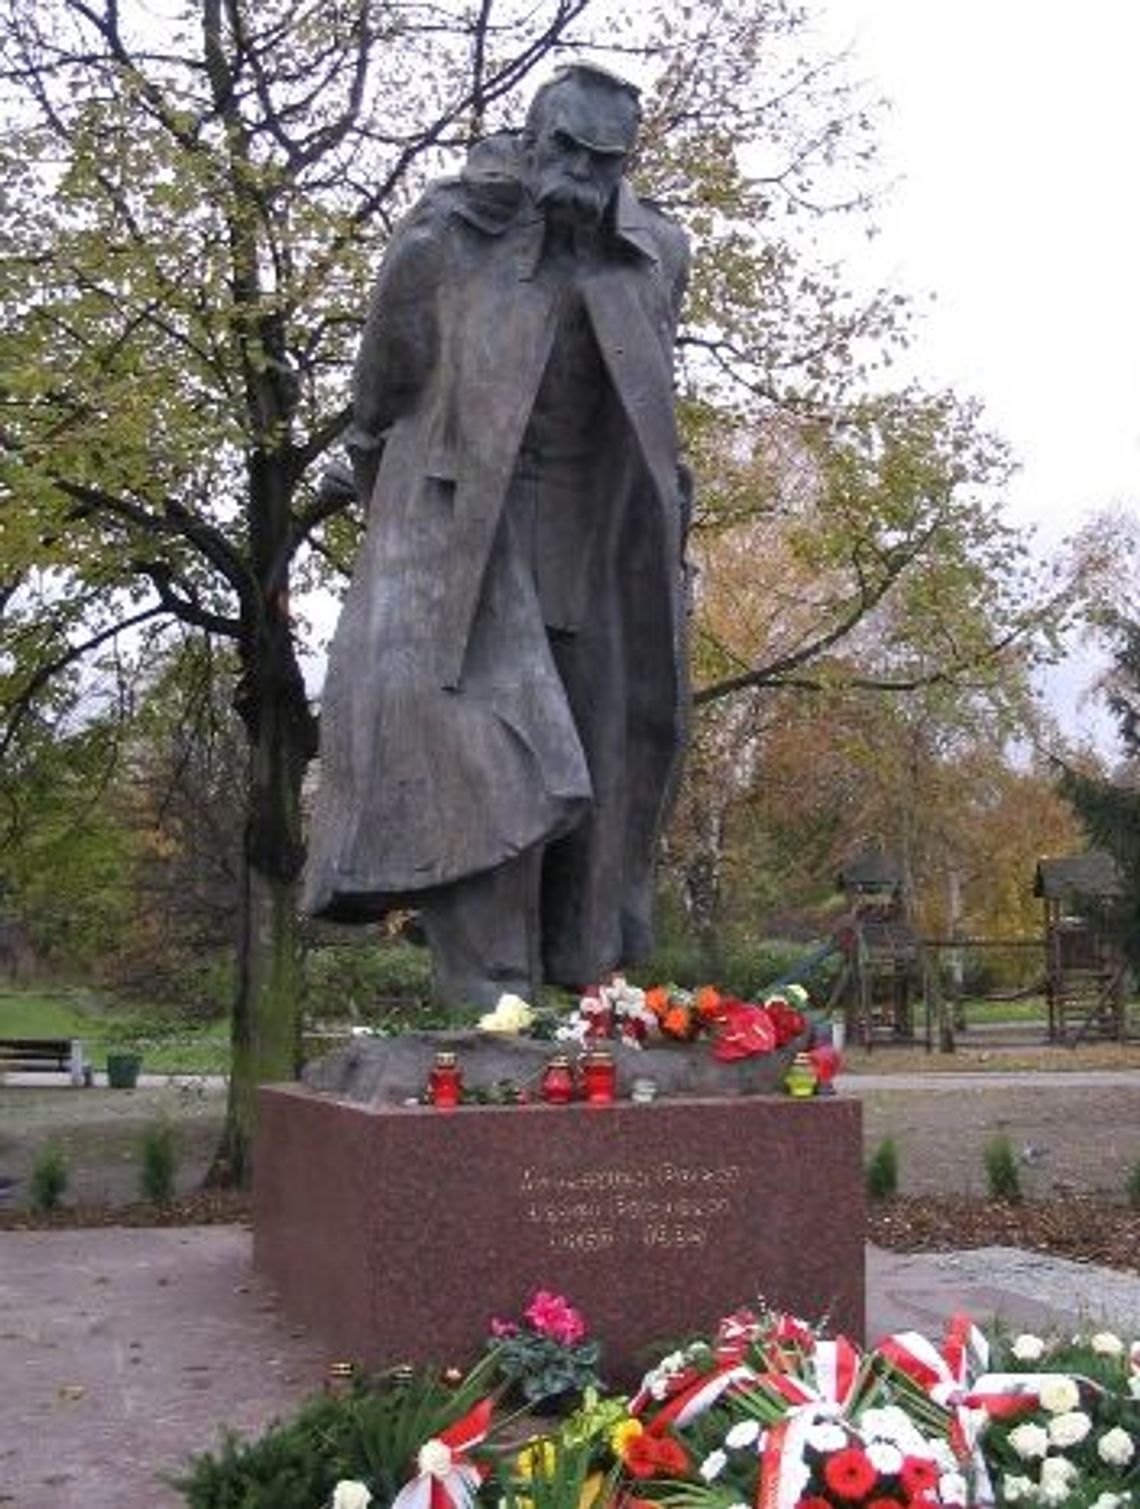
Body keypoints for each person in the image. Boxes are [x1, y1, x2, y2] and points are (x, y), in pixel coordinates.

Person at [302, 63, 691, 1006]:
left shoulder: (654, 251)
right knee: (496, 766)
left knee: (605, 758)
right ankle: (492, 1001)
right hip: (466, 540)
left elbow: (647, 390)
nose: (583, 176)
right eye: (567, 150)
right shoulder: (448, 232)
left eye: (607, 160)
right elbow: (384, 380)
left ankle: (592, 996)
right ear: (533, 136)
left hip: (598, 547)